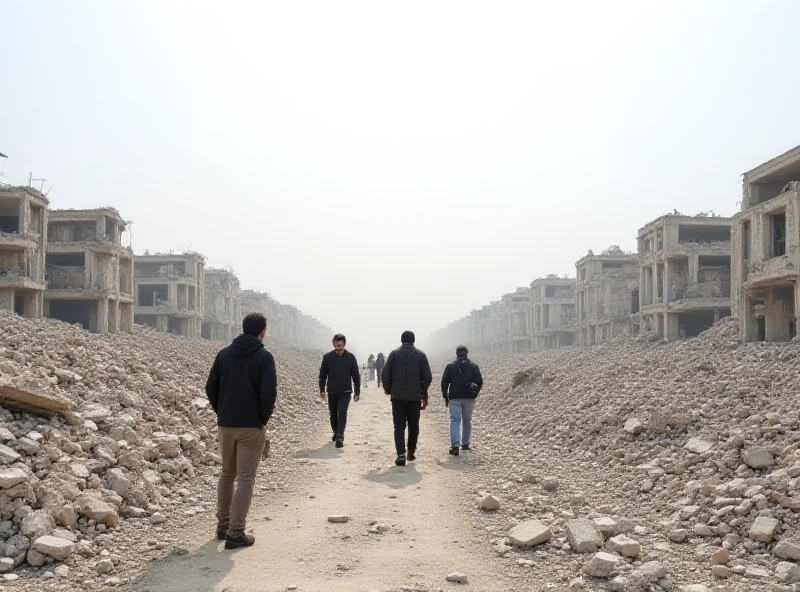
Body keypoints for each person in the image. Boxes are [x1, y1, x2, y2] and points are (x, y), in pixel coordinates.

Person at [205, 312, 277, 549]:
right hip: (251, 426)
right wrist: (262, 419)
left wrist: (222, 412)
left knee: (227, 473)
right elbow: (268, 394)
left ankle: (223, 526)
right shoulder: (264, 357)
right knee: (245, 478)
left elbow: (210, 387)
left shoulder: (224, 354)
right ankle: (236, 533)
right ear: (262, 331)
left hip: (225, 424)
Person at [381, 331, 432, 466]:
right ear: (413, 340)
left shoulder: (394, 354)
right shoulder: (421, 355)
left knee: (399, 426)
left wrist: (389, 389)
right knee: (413, 425)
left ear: (401, 340)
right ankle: (411, 451)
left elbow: (385, 373)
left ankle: (400, 454)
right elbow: (427, 377)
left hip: (398, 396)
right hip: (415, 397)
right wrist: (424, 393)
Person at [319, 334, 361, 448]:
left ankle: (340, 436)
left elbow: (356, 376)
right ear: (333, 344)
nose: (338, 348)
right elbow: (322, 375)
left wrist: (357, 392)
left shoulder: (351, 357)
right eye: (336, 346)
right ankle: (336, 432)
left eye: (340, 346)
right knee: (333, 414)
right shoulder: (328, 357)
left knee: (342, 413)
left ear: (344, 344)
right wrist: (322, 389)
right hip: (332, 390)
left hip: (346, 391)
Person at [441, 345, 483, 456]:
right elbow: (479, 381)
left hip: (454, 397)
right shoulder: (474, 366)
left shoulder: (450, 366)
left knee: (455, 420)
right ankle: (465, 444)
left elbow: (444, 383)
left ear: (456, 353)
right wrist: (475, 393)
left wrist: (445, 397)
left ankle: (455, 445)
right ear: (467, 354)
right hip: (469, 397)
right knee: (467, 420)